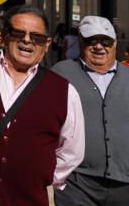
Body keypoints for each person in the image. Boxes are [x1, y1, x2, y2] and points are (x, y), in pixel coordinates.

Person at [0, 5, 85, 206]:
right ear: (5, 36)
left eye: (36, 37)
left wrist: (40, 175)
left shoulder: (64, 91)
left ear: (46, 44)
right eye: (19, 33)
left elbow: (72, 151)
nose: (27, 40)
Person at [52, 15, 129, 205]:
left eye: (105, 41)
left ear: (115, 43)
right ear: (80, 41)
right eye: (91, 40)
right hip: (76, 182)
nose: (99, 46)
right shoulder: (61, 73)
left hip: (125, 182)